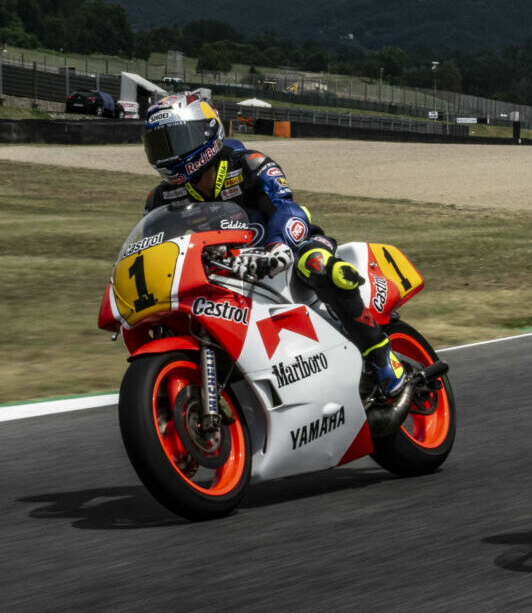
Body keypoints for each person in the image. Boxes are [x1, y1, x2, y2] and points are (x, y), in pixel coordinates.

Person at [140, 90, 410, 403]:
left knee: (318, 265)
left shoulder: (248, 164)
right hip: (226, 273)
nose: (168, 154)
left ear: (205, 132)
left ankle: (382, 359)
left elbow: (288, 209)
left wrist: (279, 247)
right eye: (159, 145)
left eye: (176, 140)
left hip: (287, 250)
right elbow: (154, 245)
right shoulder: (160, 199)